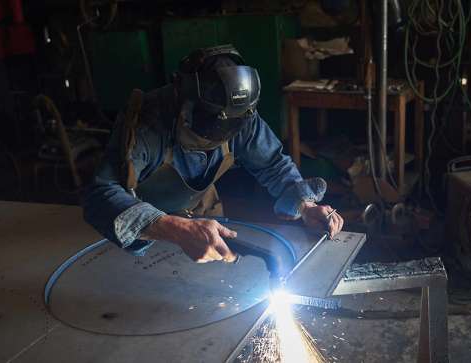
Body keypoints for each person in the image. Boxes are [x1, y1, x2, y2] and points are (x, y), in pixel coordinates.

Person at [83, 44, 343, 264]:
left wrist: (306, 206)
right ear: (183, 102)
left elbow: (272, 165)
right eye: (205, 133)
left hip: (202, 217)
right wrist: (175, 228)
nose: (214, 141)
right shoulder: (148, 121)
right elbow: (100, 196)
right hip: (141, 232)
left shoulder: (240, 114)